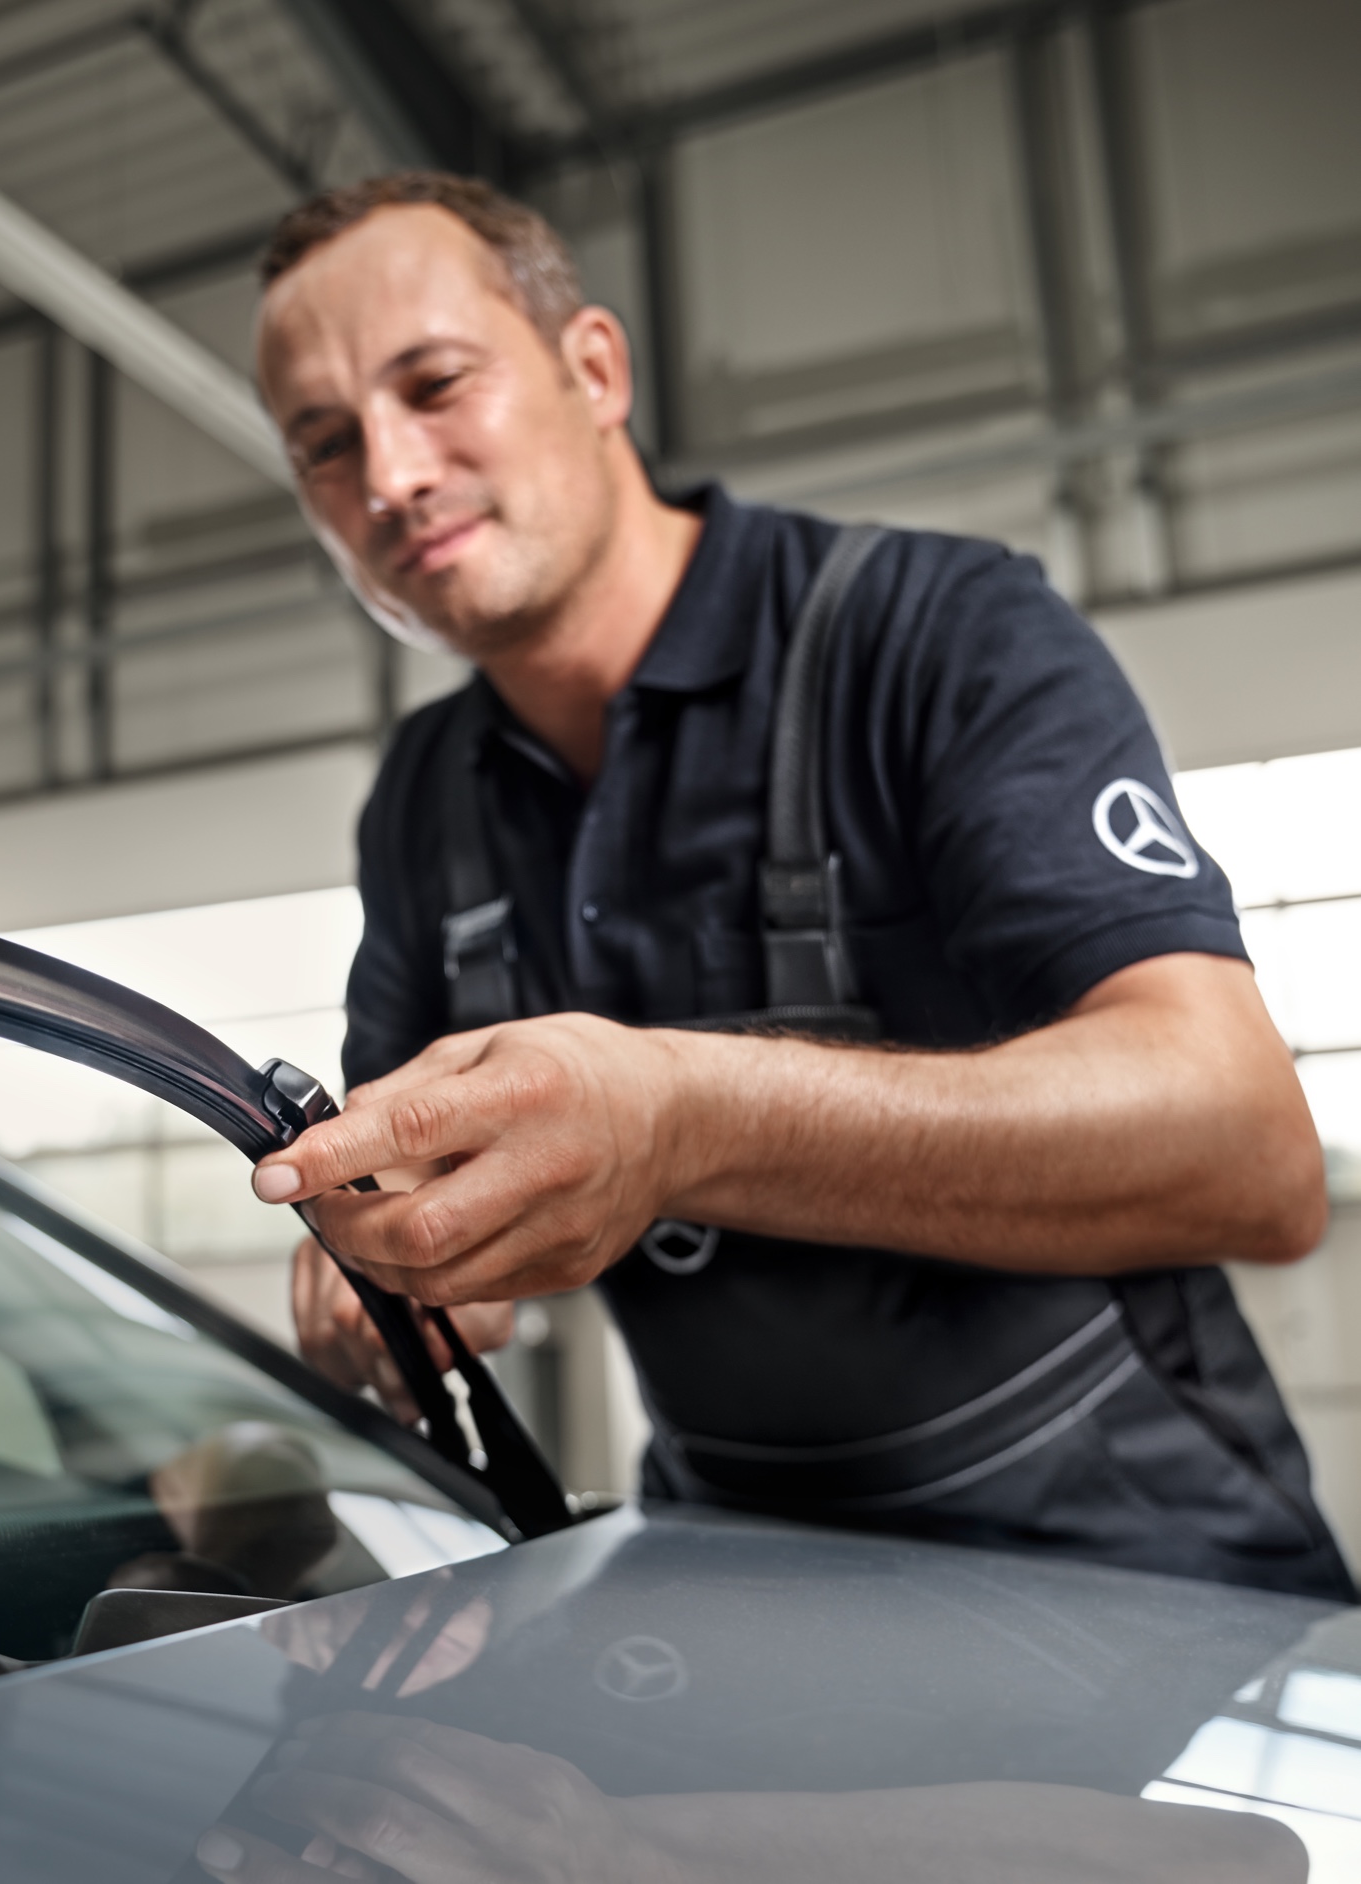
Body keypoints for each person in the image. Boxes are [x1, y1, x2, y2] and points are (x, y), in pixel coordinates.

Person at [246, 171, 1351, 1599]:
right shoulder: (423, 798)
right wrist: (403, 1267)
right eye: (326, 446)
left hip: (1145, 1588)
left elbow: (1247, 1152)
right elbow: (422, 1178)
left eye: (437, 385)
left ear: (595, 369)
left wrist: (682, 1117)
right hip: (731, 1580)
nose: (390, 476)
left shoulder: (936, 638)